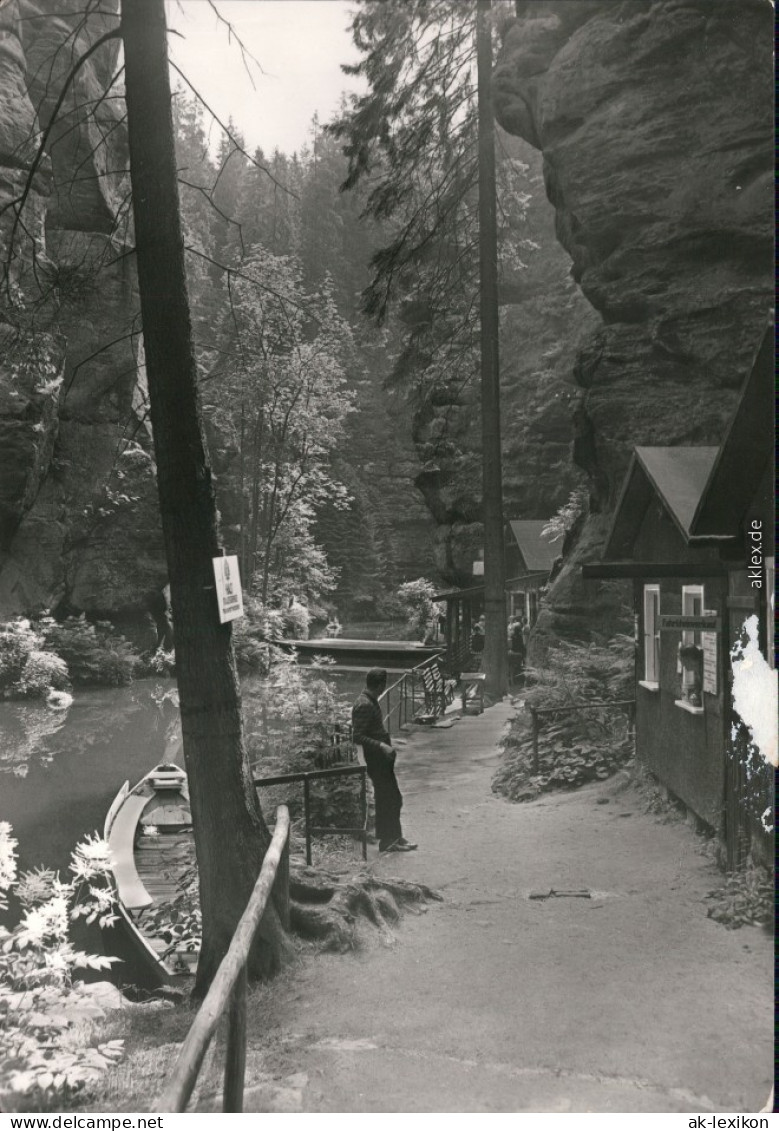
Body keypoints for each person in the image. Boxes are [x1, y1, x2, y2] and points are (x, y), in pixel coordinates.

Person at [352, 668, 417, 853]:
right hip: (376, 760)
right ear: (380, 686)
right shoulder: (364, 704)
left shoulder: (369, 701)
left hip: (382, 759)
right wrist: (381, 746)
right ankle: (388, 841)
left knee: (393, 798)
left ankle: (395, 836)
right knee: (387, 799)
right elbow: (357, 736)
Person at [508, 615, 526, 688]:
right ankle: (520, 680)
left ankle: (512, 680)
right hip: (519, 654)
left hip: (514, 653)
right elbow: (522, 646)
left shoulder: (512, 637)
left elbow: (511, 646)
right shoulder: (520, 637)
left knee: (511, 665)